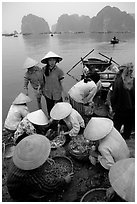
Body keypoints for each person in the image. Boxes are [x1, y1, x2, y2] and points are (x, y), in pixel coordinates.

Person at [7, 134, 73, 201]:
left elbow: (33, 158)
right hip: (19, 194)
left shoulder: (19, 156)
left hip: (21, 183)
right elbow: (46, 187)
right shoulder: (29, 173)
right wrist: (64, 181)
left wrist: (44, 159)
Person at [110, 62, 135, 140]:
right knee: (127, 129)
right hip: (130, 110)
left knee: (116, 129)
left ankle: (117, 142)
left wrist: (113, 108)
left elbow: (113, 97)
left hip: (121, 110)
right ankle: (125, 140)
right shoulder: (133, 81)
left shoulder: (118, 82)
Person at [41, 51, 66, 116]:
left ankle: (61, 122)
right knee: (50, 109)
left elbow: (62, 83)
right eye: (50, 60)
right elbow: (42, 80)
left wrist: (65, 93)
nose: (52, 62)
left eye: (53, 60)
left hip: (57, 93)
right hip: (48, 93)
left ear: (56, 61)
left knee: (60, 109)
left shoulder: (59, 71)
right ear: (47, 61)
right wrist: (41, 90)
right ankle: (51, 120)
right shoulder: (43, 69)